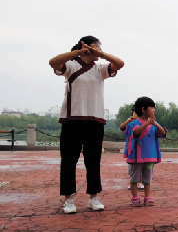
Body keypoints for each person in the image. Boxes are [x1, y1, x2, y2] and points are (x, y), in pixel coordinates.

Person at [49, 36, 124, 214]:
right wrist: (77, 52)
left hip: (95, 120)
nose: (98, 49)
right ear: (85, 47)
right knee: (69, 160)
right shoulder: (72, 65)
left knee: (93, 160)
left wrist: (102, 54)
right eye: (96, 47)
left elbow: (120, 63)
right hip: (72, 120)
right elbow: (53, 62)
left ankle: (93, 196)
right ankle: (68, 199)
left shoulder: (101, 68)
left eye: (100, 47)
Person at [124, 97, 166, 206]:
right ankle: (135, 197)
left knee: (147, 177)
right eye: (151, 107)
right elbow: (136, 133)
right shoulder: (134, 123)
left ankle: (147, 196)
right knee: (135, 176)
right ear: (143, 109)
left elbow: (163, 133)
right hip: (137, 156)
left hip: (149, 155)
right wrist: (147, 123)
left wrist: (155, 124)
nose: (153, 110)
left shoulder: (154, 123)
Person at [120, 106, 143, 190]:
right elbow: (122, 128)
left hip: (141, 148)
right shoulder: (129, 122)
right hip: (132, 149)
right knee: (131, 168)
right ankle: (132, 182)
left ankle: (140, 183)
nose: (136, 115)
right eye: (135, 113)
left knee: (141, 166)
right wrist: (129, 121)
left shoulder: (143, 122)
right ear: (132, 113)